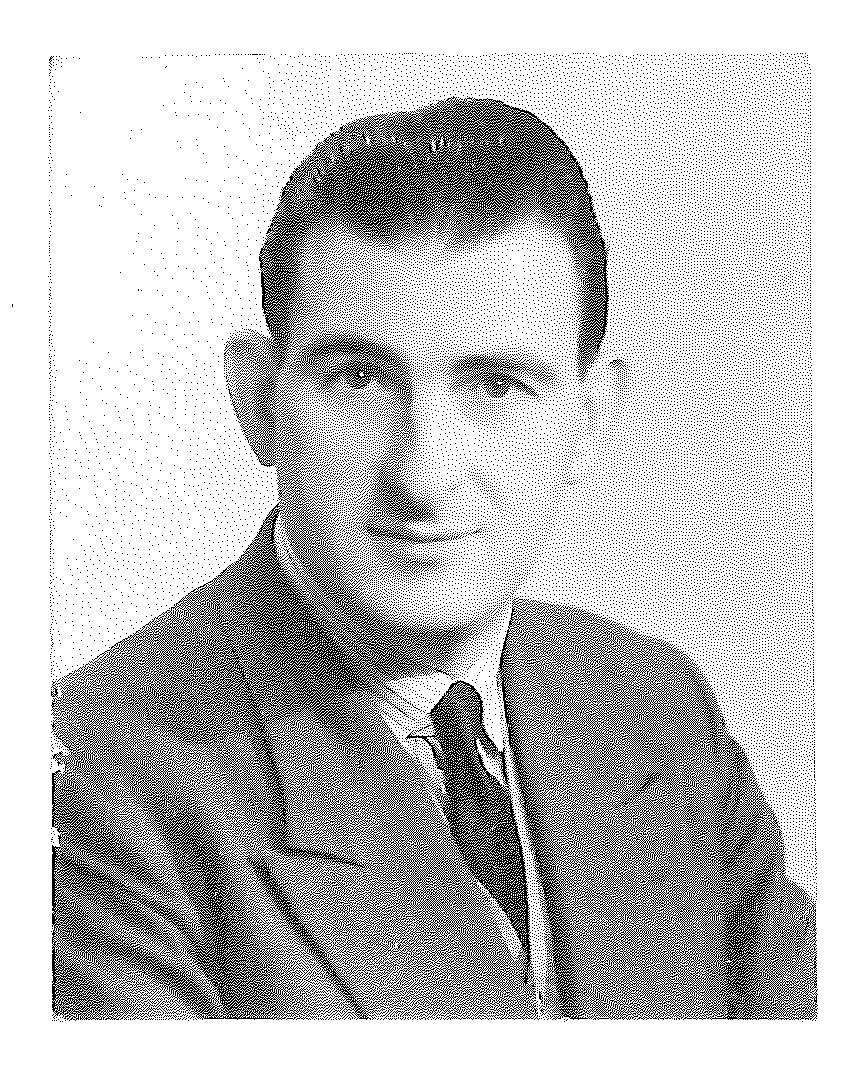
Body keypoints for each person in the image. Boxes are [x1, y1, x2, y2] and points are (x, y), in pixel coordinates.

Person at [52, 97, 816, 1019]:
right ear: (258, 402)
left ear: (589, 419)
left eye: (498, 384)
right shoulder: (87, 781)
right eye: (359, 378)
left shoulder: (654, 705)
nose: (423, 475)